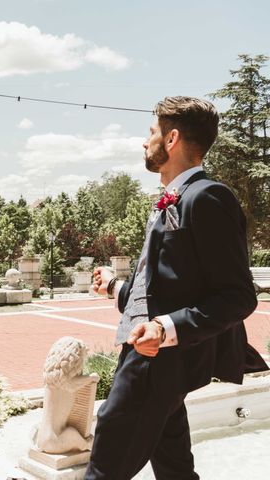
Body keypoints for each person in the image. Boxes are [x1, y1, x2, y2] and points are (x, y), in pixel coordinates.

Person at [85, 97, 268, 479]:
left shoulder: (207, 197)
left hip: (157, 359)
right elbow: (166, 288)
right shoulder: (174, 200)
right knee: (174, 468)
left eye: (151, 132)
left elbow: (238, 296)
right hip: (156, 355)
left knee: (108, 459)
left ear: (171, 139)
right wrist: (115, 288)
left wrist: (165, 329)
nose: (144, 141)